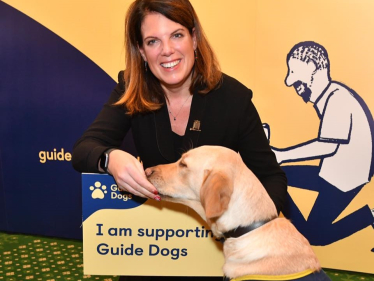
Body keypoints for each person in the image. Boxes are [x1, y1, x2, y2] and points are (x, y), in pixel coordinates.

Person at [72, 0, 287, 280]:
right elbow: (83, 150)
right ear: (141, 50)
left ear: (194, 37)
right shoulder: (131, 88)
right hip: (152, 247)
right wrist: (110, 158)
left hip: (216, 254)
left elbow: (271, 177)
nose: (167, 51)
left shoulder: (233, 98)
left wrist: (247, 232)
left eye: (176, 35)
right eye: (152, 41)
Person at [271, 41, 374, 247]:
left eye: (294, 71)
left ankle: (369, 216)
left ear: (312, 67)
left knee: (315, 236)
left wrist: (281, 154)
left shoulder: (337, 98)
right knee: (276, 175)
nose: (289, 81)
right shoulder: (328, 96)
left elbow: (327, 146)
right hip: (332, 170)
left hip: (346, 176)